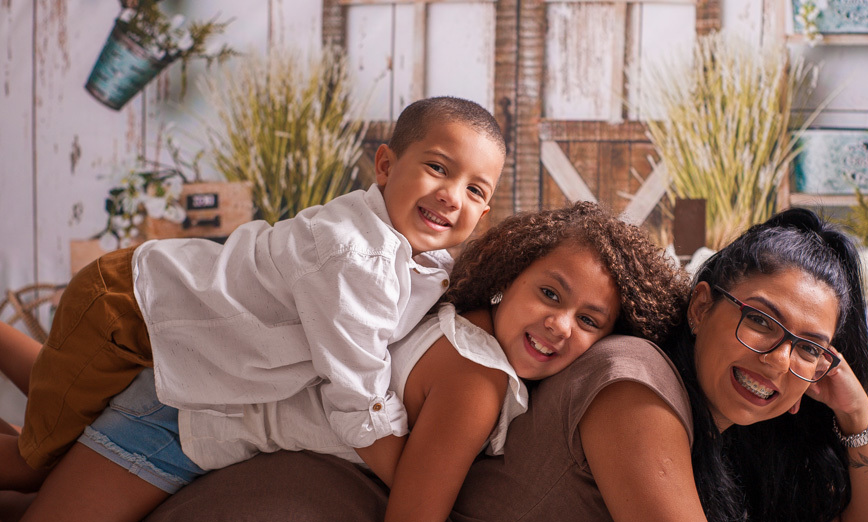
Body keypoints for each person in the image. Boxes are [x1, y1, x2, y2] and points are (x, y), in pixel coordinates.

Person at [2, 208, 868, 522]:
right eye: (761, 322)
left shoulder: (714, 424)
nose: (778, 359)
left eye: (809, 347)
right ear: (702, 304)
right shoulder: (633, 385)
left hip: (274, 495)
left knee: (44, 465)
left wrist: (854, 415)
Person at [0, 95, 506, 494]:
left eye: (475, 190)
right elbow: (359, 398)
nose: (451, 195)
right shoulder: (356, 258)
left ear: (483, 215)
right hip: (126, 311)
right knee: (34, 463)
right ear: (385, 166)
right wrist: (420, 494)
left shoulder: (429, 263)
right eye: (438, 168)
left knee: (61, 391)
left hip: (174, 324)